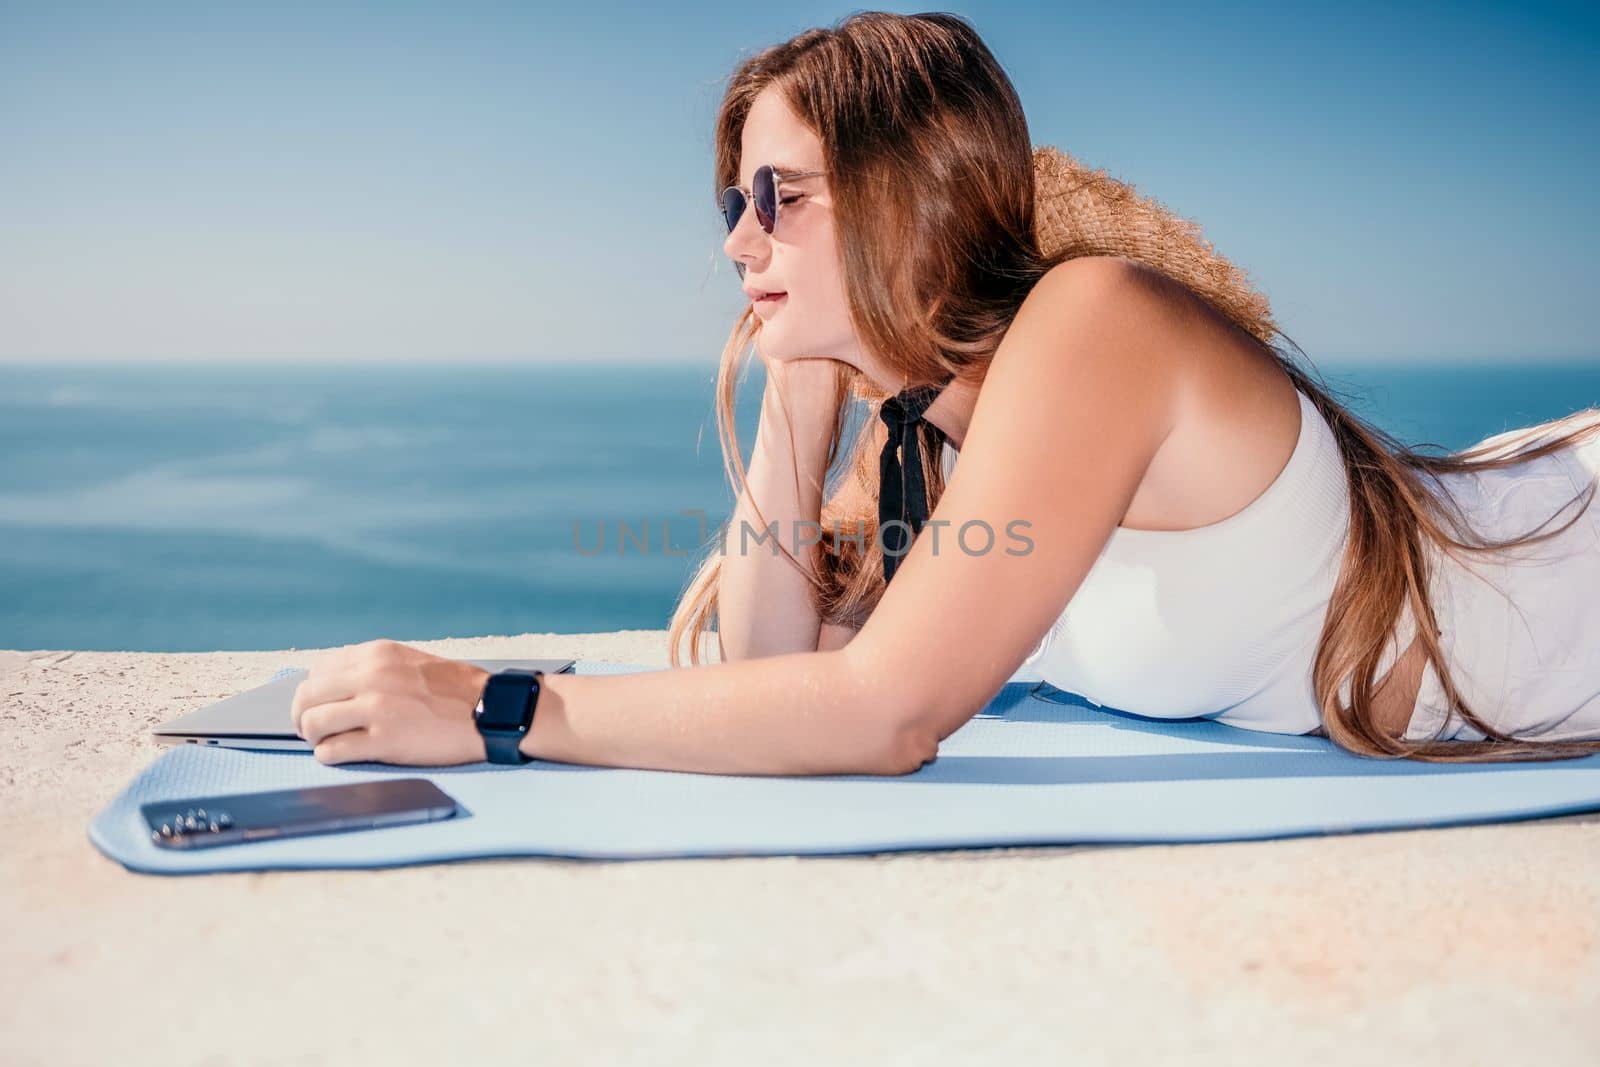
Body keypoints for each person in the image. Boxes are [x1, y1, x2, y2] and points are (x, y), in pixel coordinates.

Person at [290, 11, 1600, 773]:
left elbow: (887, 714)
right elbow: (777, 676)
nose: (736, 244)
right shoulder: (927, 441)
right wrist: (800, 414)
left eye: (778, 199)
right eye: (731, 207)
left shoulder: (1094, 326)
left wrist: (499, 709)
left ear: (904, 203)